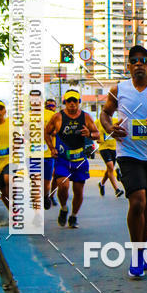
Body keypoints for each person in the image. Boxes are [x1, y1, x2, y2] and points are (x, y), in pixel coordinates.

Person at [100, 45, 147, 278]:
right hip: (129, 153)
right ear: (128, 66)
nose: (138, 63)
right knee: (137, 201)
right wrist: (110, 128)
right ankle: (137, 254)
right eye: (133, 60)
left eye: (143, 60)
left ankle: (142, 248)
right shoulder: (120, 89)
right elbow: (105, 113)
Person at [45, 89, 99, 228]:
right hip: (63, 159)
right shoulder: (57, 117)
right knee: (63, 186)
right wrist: (51, 148)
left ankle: (74, 216)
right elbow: (46, 132)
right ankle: (63, 208)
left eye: (75, 101)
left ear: (79, 102)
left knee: (78, 191)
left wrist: (89, 134)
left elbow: (97, 134)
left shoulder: (86, 117)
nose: (72, 104)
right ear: (65, 103)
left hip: (80, 160)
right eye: (69, 101)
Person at [94, 115, 124, 199]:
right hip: (104, 148)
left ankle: (101, 183)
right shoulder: (98, 122)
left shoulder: (115, 120)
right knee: (110, 166)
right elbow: (93, 132)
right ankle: (117, 190)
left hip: (114, 148)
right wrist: (97, 138)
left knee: (109, 169)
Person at [43, 99, 57, 210]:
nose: (50, 107)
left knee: (56, 176)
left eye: (52, 105)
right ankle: (46, 195)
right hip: (44, 152)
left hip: (57, 151)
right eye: (48, 105)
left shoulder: (57, 117)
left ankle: (50, 195)